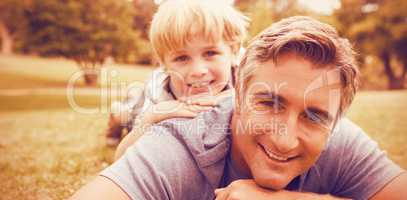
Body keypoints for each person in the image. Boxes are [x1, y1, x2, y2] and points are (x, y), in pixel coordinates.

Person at [70, 16, 406, 200]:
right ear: (240, 93)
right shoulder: (182, 135)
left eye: (315, 116)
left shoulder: (340, 139)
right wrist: (145, 126)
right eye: (268, 102)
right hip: (149, 108)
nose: (285, 140)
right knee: (128, 112)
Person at [104, 0, 248, 148]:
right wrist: (152, 115)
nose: (198, 71)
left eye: (210, 53)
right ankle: (115, 116)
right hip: (140, 108)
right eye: (182, 58)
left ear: (234, 52)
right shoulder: (158, 94)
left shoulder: (244, 74)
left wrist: (227, 97)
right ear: (164, 64)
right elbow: (127, 153)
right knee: (125, 114)